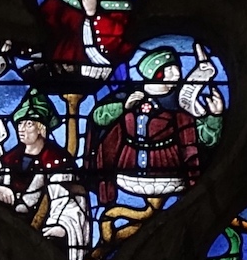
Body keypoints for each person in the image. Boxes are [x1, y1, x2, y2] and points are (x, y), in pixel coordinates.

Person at [89, 44, 224, 203]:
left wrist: (214, 116)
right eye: (171, 69)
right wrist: (123, 106)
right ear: (157, 73)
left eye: (177, 68)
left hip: (170, 176)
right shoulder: (129, 96)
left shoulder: (183, 103)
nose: (178, 73)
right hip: (127, 175)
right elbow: (98, 118)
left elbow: (205, 139)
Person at [0, 90, 90, 260]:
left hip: (44, 237)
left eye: (28, 124)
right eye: (19, 124)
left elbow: (70, 205)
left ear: (41, 128)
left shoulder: (58, 162)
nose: (21, 129)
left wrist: (58, 227)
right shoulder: (9, 159)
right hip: (4, 232)